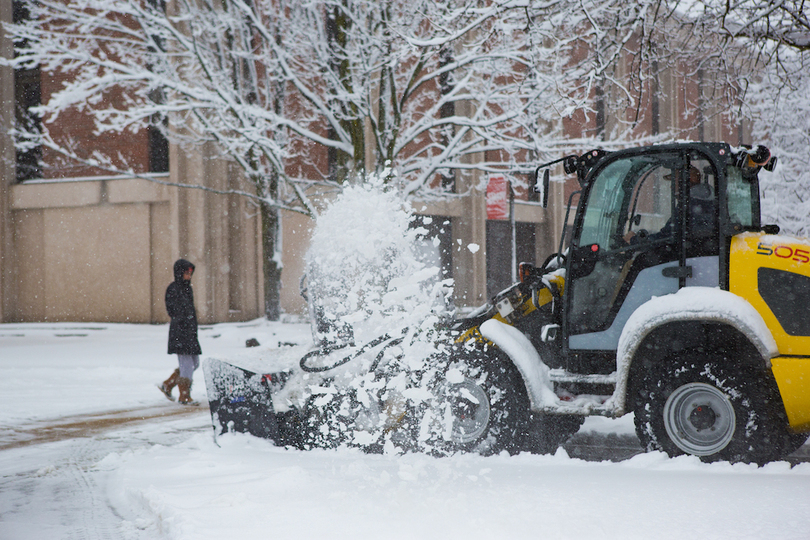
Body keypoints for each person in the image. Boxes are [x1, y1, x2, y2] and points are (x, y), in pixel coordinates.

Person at [157, 259, 202, 405]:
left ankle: (168, 384)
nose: (189, 275)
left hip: (190, 332)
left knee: (195, 363)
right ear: (179, 272)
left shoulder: (188, 288)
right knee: (187, 364)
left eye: (190, 273)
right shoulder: (173, 288)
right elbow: (172, 310)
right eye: (186, 272)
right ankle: (184, 396)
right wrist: (183, 319)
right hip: (180, 332)